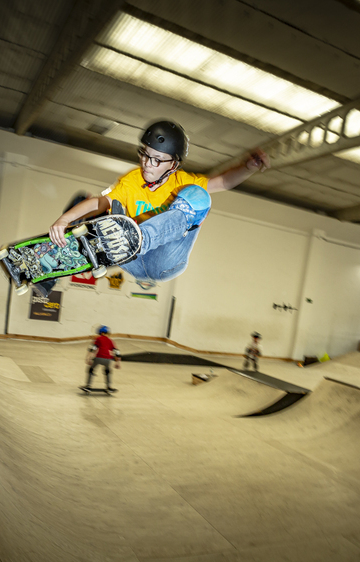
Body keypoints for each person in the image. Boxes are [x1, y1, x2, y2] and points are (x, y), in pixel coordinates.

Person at [49, 120, 269, 287]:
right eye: (144, 155)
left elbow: (222, 182)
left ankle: (136, 239)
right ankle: (53, 265)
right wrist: (64, 219)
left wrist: (247, 167)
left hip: (164, 262)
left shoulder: (182, 182)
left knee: (197, 196)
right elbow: (100, 201)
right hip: (132, 261)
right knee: (85, 203)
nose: (147, 164)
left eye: (156, 159)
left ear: (173, 164)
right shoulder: (132, 180)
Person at [84, 326, 121, 392]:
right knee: (107, 371)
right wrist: (117, 362)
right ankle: (109, 387)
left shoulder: (98, 338)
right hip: (108, 359)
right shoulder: (110, 340)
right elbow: (116, 351)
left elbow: (93, 348)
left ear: (101, 333)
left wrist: (88, 358)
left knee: (91, 370)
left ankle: (88, 385)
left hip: (99, 357)